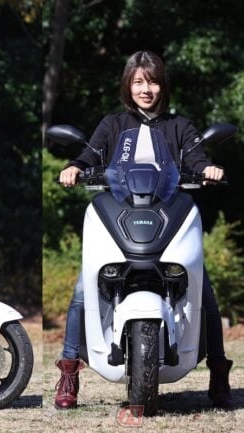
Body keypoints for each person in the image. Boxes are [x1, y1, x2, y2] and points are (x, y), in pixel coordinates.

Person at [54, 50, 234, 410]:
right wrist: (74, 168)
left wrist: (208, 169)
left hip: (168, 217)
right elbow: (89, 155)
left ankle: (218, 371)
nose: (145, 89)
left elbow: (197, 158)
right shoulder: (113, 124)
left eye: (152, 82)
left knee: (204, 290)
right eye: (138, 82)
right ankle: (70, 371)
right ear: (128, 85)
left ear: (162, 85)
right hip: (120, 216)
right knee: (83, 289)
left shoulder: (179, 126)